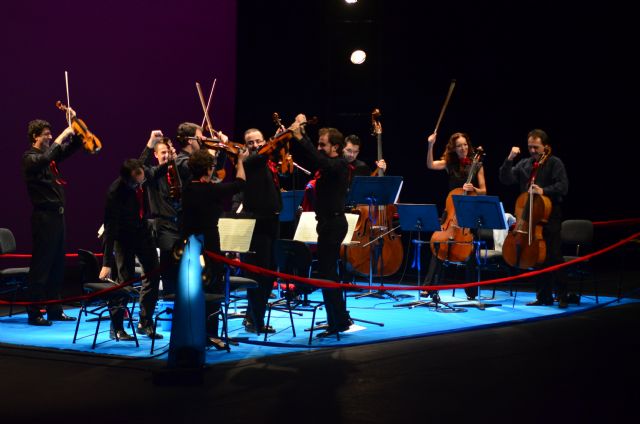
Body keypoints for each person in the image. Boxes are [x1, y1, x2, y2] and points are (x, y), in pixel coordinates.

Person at [290, 115, 353, 338]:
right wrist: (302, 135)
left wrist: (301, 137)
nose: (319, 148)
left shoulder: (340, 164)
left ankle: (339, 321)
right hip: (326, 223)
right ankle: (338, 319)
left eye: (323, 144)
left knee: (328, 274)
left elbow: (319, 160)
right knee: (327, 274)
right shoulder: (329, 165)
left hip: (334, 224)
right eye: (318, 144)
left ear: (335, 147)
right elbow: (317, 159)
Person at [182, 148, 248, 349]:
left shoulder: (187, 187)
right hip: (209, 243)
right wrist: (240, 161)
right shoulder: (210, 190)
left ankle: (195, 333)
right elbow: (240, 183)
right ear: (208, 169)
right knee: (213, 289)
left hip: (191, 244)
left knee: (194, 290)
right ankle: (211, 335)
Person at [499, 129, 569, 307]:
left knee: (554, 256)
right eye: (530, 147)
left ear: (545, 147)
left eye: (536, 147)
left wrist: (543, 190)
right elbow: (506, 179)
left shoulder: (554, 163)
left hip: (549, 216)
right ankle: (543, 296)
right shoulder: (525, 164)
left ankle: (562, 295)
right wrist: (509, 159)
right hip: (529, 217)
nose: (532, 151)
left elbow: (563, 186)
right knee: (537, 257)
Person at [22, 117, 82, 326]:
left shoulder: (49, 158)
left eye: (50, 133)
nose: (50, 136)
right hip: (44, 218)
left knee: (57, 265)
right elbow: (46, 158)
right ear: (35, 136)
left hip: (57, 217)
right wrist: (62, 136)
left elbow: (71, 148)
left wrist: (75, 125)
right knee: (42, 266)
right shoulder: (30, 158)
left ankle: (54, 309)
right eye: (46, 134)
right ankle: (34, 312)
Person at [100, 158, 168, 339]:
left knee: (153, 274)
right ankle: (117, 328)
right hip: (123, 238)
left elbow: (157, 170)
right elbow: (110, 228)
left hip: (142, 233)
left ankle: (145, 322)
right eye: (135, 183)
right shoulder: (115, 192)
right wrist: (106, 263)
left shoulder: (143, 175)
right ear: (127, 179)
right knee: (124, 281)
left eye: (141, 181)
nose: (139, 185)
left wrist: (172, 160)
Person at [424, 131, 487, 301]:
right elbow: (430, 165)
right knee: (439, 244)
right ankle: (429, 286)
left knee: (470, 250)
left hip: (469, 213)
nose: (463, 148)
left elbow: (484, 190)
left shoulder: (477, 165)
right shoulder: (450, 164)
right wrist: (430, 145)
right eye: (459, 146)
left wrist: (474, 189)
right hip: (451, 213)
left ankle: (471, 290)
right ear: (454, 148)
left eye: (465, 145)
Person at [230, 128, 281, 334]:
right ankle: (255, 321)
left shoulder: (266, 163)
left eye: (258, 141)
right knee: (258, 275)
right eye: (250, 142)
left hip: (271, 223)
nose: (255, 145)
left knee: (269, 274)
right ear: (245, 145)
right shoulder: (250, 163)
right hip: (256, 226)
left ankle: (253, 317)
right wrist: (277, 139)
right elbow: (260, 156)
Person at [139, 131, 180, 296]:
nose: (166, 155)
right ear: (156, 155)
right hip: (164, 227)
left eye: (168, 152)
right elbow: (140, 166)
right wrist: (150, 144)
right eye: (163, 152)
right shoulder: (152, 173)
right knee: (169, 270)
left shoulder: (178, 170)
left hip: (181, 225)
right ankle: (169, 300)